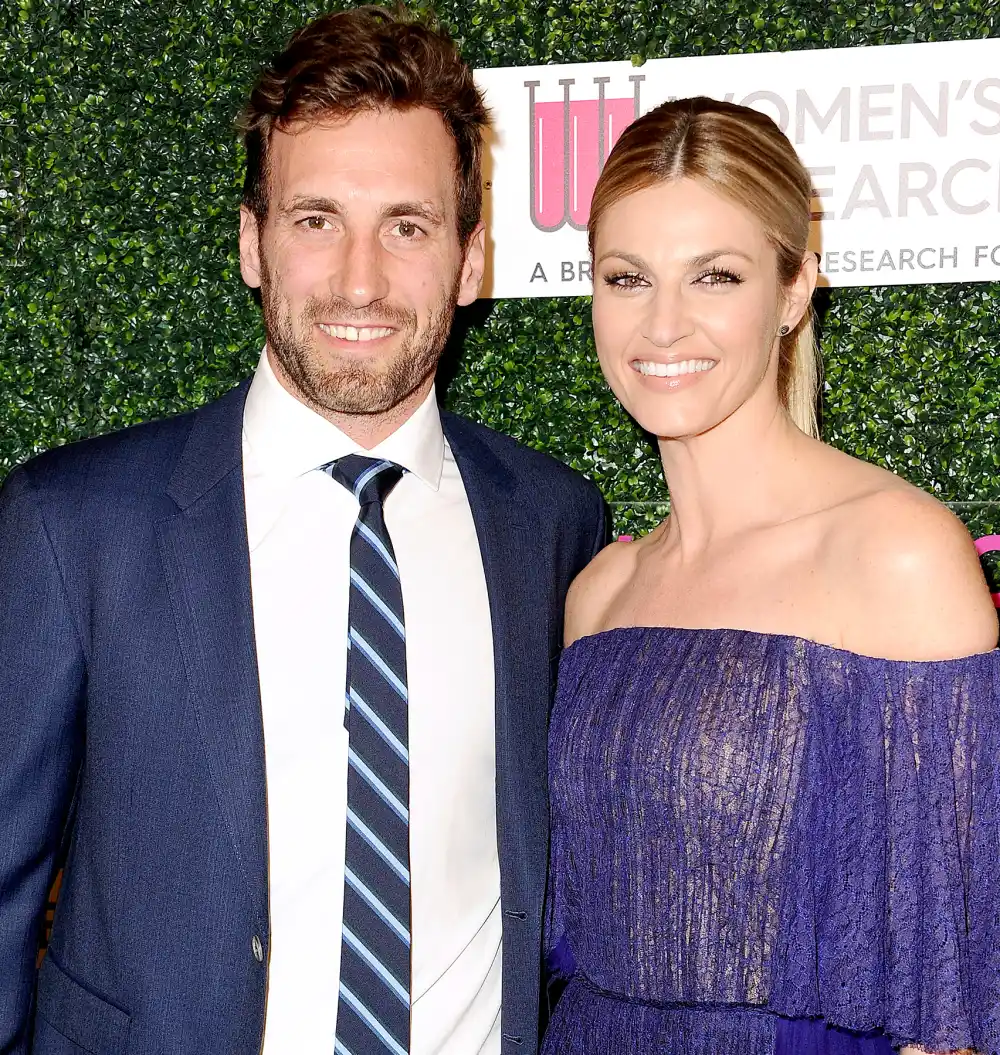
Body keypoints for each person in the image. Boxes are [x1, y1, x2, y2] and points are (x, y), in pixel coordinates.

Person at [0, 9, 606, 1055]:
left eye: (407, 226)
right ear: (253, 243)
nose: (359, 280)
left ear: (469, 261)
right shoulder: (72, 525)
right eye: (316, 219)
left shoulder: (552, 523)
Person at [542, 96, 1000, 1055]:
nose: (662, 325)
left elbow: (951, 1009)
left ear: (795, 289)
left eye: (715, 276)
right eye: (628, 278)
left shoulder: (897, 554)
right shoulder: (600, 595)